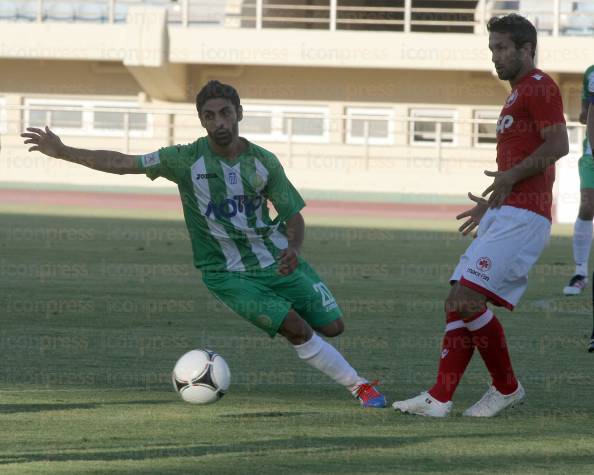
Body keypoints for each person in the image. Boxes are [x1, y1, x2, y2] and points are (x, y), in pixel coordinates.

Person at [21, 80, 386, 408]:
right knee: (297, 328)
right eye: (210, 116)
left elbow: (293, 215)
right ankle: (360, 387)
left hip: (276, 259)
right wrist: (63, 150)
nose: (219, 123)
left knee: (334, 327)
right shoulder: (183, 160)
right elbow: (121, 163)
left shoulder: (263, 162)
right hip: (226, 274)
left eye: (226, 113)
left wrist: (293, 249)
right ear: (201, 121)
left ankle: (295, 320)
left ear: (239, 113)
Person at [393, 14, 568, 417]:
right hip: (507, 213)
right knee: (457, 302)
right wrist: (492, 202)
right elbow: (522, 164)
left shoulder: (540, 86)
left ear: (527, 49)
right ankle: (439, 398)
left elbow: (558, 144)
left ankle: (505, 388)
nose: (496, 57)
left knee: (466, 299)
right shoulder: (514, 94)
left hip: (526, 217)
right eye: (492, 49)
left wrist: (510, 177)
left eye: (503, 48)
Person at [562, 64, 594, 296]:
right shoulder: (591, 73)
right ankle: (580, 272)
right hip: (592, 154)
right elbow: (587, 114)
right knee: (587, 204)